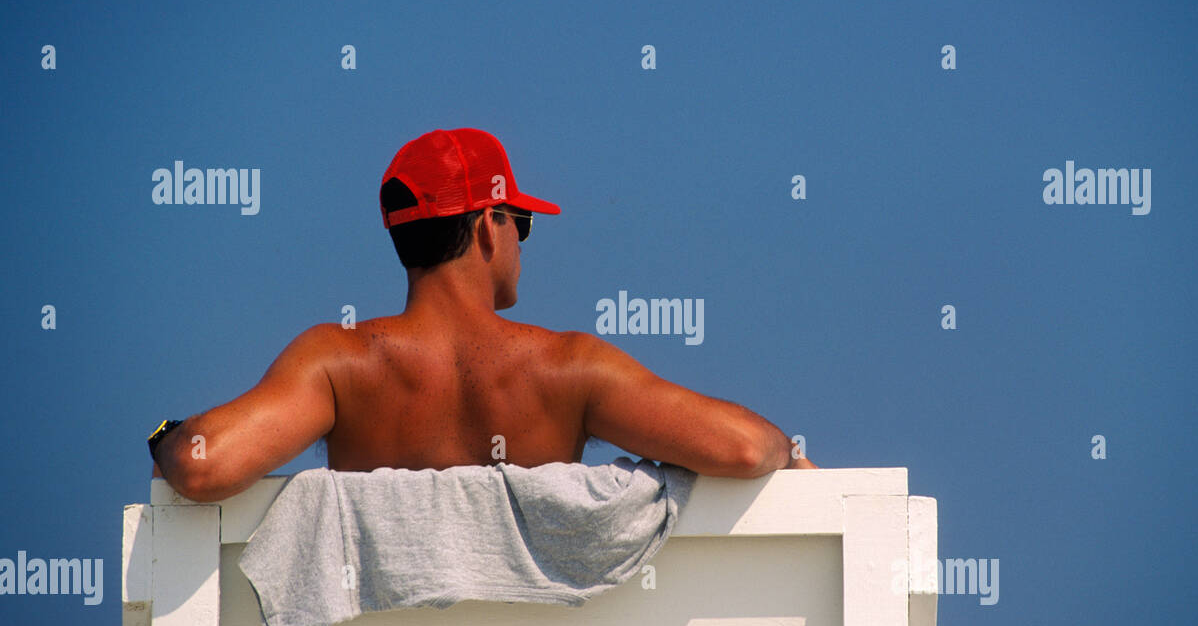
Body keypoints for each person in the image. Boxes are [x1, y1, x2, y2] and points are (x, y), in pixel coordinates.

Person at [149, 128, 816, 502]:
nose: (523, 242)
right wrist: (788, 451)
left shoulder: (336, 363)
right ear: (489, 227)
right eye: (522, 221)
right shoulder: (569, 368)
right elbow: (743, 446)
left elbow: (204, 465)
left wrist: (169, 438)